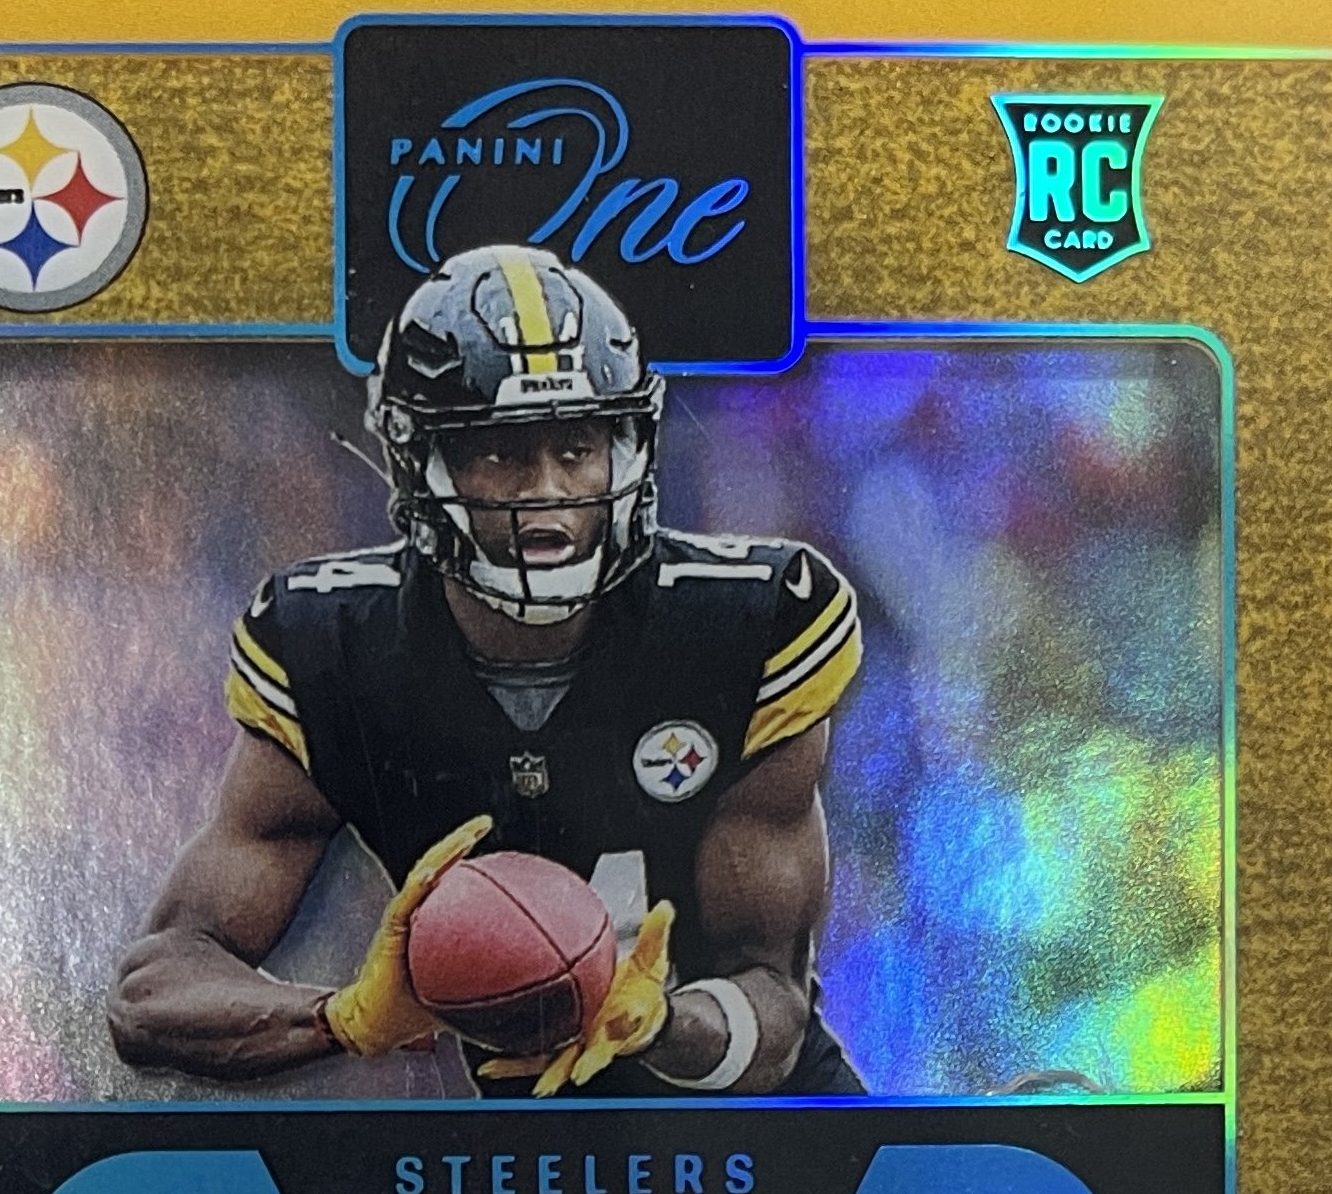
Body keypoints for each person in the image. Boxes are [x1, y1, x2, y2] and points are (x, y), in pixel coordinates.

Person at [108, 243, 865, 1097]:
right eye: (502, 453)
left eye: (576, 448)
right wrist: (342, 1018)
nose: (548, 491)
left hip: (760, 1133)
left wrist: (654, 1023)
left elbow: (774, 1005)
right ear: (422, 463)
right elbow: (151, 992)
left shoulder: (745, 626)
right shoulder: (332, 646)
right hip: (499, 1134)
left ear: (625, 448)